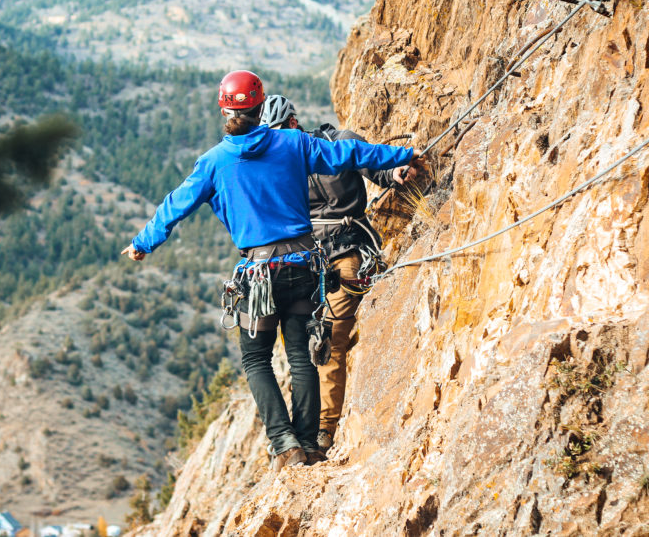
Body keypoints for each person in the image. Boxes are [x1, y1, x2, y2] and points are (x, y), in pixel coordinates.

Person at [121, 70, 423, 472]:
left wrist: (143, 243)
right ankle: (310, 445)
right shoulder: (294, 143)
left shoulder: (213, 163)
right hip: (303, 265)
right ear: (260, 107)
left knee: (257, 359)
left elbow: (175, 205)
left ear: (224, 109)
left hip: (260, 273)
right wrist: (404, 155)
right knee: (301, 355)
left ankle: (284, 444)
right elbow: (350, 154)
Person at [261, 94, 412, 453]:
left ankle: (322, 432)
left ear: (293, 126)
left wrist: (395, 172)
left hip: (347, 252)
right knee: (305, 347)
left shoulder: (338, 143)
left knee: (329, 341)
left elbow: (372, 165)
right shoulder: (279, 164)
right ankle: (310, 430)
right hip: (306, 261)